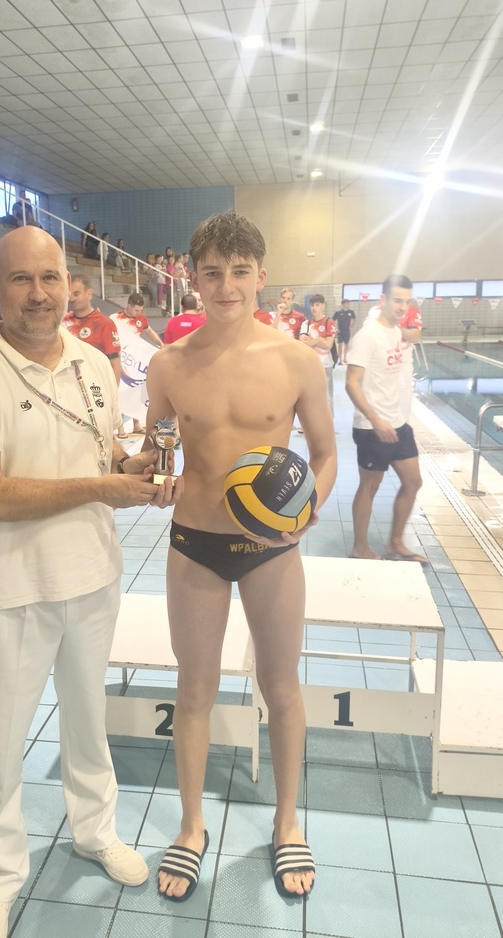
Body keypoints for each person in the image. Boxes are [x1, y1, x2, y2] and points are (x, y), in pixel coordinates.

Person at [0, 227, 180, 938]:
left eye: (50, 279)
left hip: (92, 575)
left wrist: (132, 469)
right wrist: (104, 486)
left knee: (87, 720)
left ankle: (95, 832)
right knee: (0, 744)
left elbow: (98, 456)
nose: (39, 294)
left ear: (70, 287)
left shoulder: (92, 362)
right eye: (21, 279)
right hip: (10, 589)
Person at [144, 211, 337, 902]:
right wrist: (144, 471)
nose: (226, 285)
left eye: (239, 271)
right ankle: (191, 826)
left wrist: (303, 512)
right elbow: (160, 449)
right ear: (192, 280)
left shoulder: (295, 360)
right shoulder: (167, 365)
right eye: (212, 272)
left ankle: (287, 822)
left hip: (270, 550)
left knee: (281, 688)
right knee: (194, 690)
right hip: (195, 544)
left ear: (261, 276)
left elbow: (325, 454)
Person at [345, 274, 427, 565]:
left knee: (413, 481)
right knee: (370, 486)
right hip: (371, 427)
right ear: (383, 300)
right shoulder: (368, 335)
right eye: (397, 301)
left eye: (407, 301)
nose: (403, 307)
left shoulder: (397, 332)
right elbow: (351, 383)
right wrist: (376, 420)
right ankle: (360, 547)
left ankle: (395, 543)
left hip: (399, 423)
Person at [111, 293, 164, 434]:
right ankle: (120, 428)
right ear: (128, 306)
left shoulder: (141, 318)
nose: (139, 313)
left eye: (140, 310)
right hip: (122, 360)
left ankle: (136, 424)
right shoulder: (115, 319)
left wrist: (160, 343)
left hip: (135, 361)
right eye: (136, 310)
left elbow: (149, 331)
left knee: (135, 392)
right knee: (121, 392)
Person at [64, 274, 122, 383]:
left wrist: (113, 392)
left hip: (95, 385)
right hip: (67, 385)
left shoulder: (104, 324)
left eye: (76, 294)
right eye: (69, 294)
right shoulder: (62, 321)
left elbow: (115, 365)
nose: (72, 298)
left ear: (89, 294)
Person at [299, 294, 337, 414]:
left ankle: (329, 422)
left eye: (317, 305)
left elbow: (328, 345)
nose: (314, 308)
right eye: (312, 305)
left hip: (325, 364)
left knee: (327, 397)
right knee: (310, 396)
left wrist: (311, 341)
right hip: (310, 364)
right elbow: (302, 343)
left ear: (323, 306)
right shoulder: (306, 324)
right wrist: (319, 340)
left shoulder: (329, 322)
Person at [332, 298, 356, 364]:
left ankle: (345, 357)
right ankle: (340, 358)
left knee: (346, 344)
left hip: (347, 331)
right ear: (343, 304)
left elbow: (354, 319)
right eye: (347, 303)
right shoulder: (338, 312)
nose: (348, 304)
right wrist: (335, 328)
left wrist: (351, 326)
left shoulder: (351, 312)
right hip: (340, 331)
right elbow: (333, 320)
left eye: (349, 303)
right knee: (340, 344)